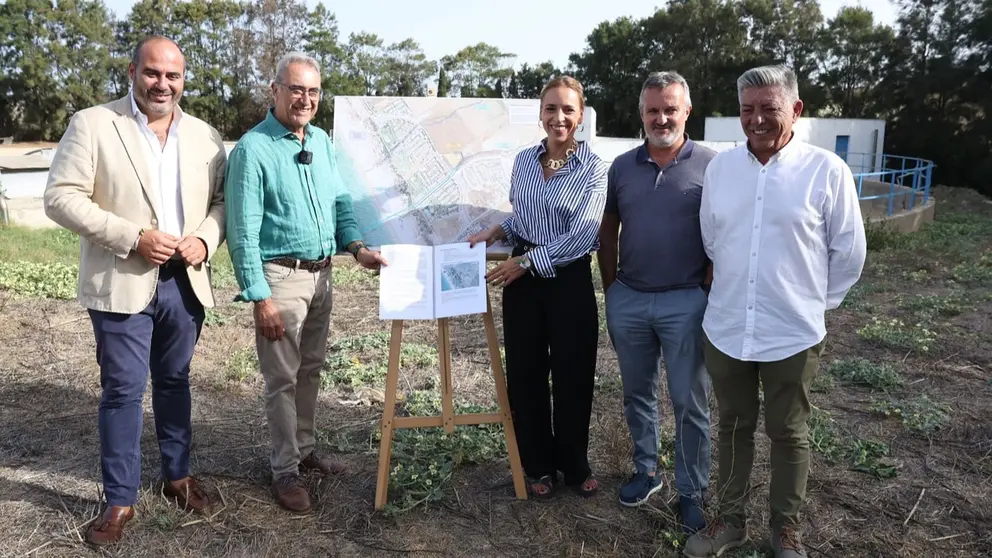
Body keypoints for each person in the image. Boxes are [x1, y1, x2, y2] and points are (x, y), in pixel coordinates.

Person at [43, 35, 227, 546]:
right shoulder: (94, 123)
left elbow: (220, 203)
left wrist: (205, 240)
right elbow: (59, 198)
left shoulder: (206, 136)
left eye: (173, 75)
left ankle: (177, 477)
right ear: (132, 72)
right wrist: (133, 237)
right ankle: (119, 499)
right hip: (122, 278)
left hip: (185, 284)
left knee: (175, 382)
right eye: (152, 73)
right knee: (123, 390)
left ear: (184, 79)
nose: (162, 84)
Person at [684, 65, 867, 558]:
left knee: (788, 431)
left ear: (796, 110)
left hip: (793, 331)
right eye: (748, 110)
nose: (757, 119)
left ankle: (785, 528)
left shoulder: (826, 170)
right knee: (733, 425)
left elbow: (848, 251)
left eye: (770, 108)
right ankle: (729, 521)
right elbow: (711, 238)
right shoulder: (721, 168)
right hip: (726, 326)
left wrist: (811, 305)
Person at [224, 52, 387, 515]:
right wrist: (260, 297)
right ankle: (284, 471)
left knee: (310, 368)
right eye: (296, 89)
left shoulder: (320, 142)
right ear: (274, 91)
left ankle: (304, 447)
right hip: (281, 278)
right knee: (282, 379)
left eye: (313, 91)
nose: (305, 99)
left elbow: (340, 206)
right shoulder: (253, 149)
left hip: (323, 276)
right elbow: (242, 231)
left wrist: (356, 248)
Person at [468, 76, 608, 500]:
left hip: (567, 280)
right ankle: (537, 465)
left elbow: (584, 235)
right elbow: (524, 218)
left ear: (580, 116)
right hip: (523, 286)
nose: (559, 117)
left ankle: (573, 463)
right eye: (551, 109)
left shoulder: (594, 169)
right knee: (526, 375)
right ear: (540, 114)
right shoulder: (525, 161)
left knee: (573, 373)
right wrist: (500, 228)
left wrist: (527, 262)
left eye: (568, 110)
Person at [597, 71, 715, 530]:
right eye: (652, 110)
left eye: (670, 109)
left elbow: (723, 232)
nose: (661, 117)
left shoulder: (712, 165)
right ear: (641, 114)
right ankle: (646, 470)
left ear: (687, 111)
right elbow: (608, 231)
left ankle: (691, 491)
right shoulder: (622, 167)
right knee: (637, 394)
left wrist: (705, 287)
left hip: (686, 302)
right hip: (630, 299)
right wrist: (612, 288)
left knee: (690, 401)